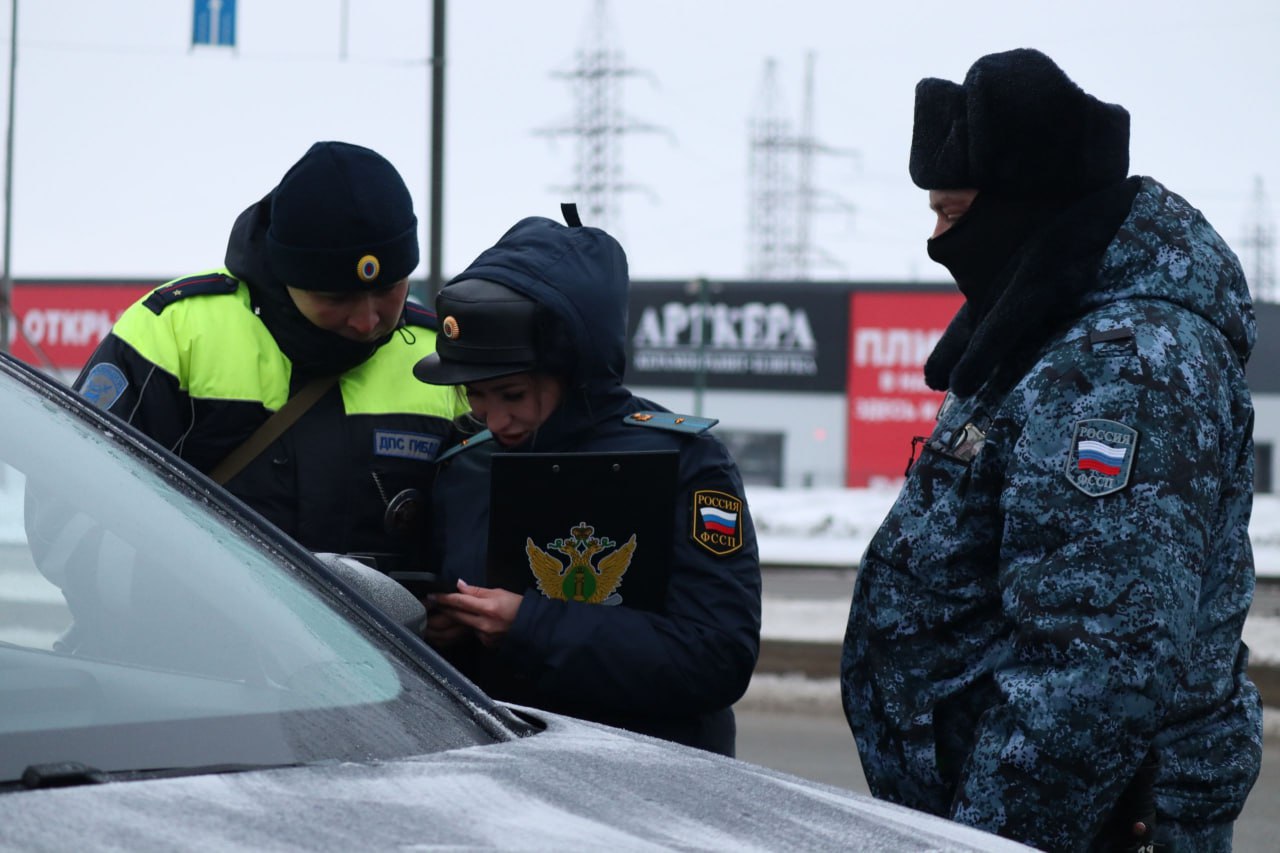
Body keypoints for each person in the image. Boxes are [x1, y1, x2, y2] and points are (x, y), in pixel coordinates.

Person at [840, 48, 1262, 852]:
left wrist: (992, 841)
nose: (937, 239)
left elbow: (1097, 661)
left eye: (952, 213)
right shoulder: (1052, 335)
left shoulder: (1124, 365)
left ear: (1020, 209)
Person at [411, 209, 761, 757]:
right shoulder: (464, 465)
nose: (494, 420)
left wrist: (530, 625)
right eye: (474, 397)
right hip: (505, 772)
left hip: (653, 774)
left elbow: (716, 658)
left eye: (513, 395)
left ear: (575, 368)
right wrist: (437, 631)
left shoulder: (687, 462)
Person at [63, 140, 465, 562]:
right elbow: (70, 511)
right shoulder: (173, 334)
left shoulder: (440, 356)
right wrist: (168, 608)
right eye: (336, 297)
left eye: (388, 289)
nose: (366, 321)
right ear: (285, 274)